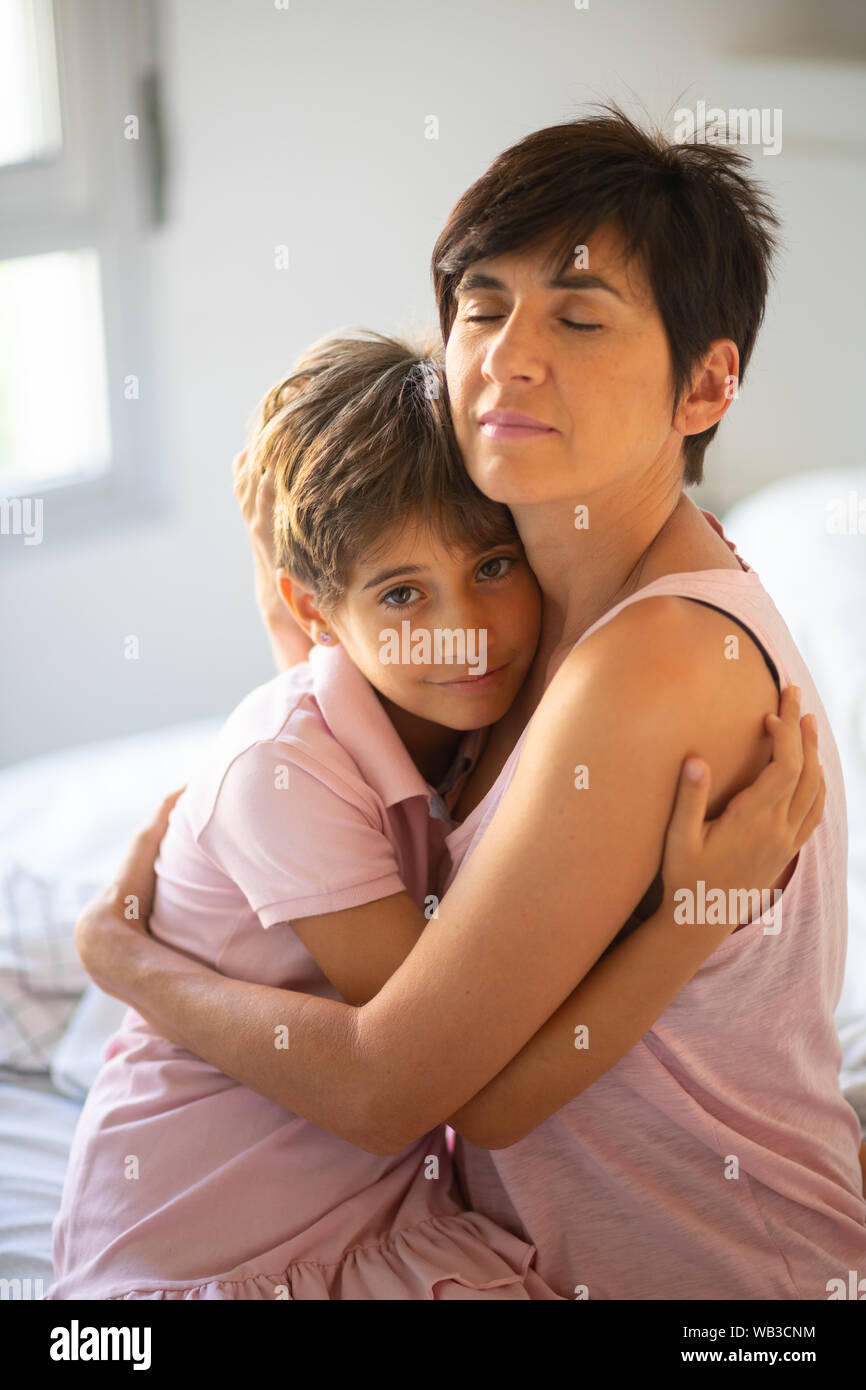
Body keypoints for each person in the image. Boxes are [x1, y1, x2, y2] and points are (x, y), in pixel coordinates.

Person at [75, 108, 866, 1299]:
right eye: (481, 308)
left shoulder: (647, 665)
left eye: (578, 316)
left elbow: (403, 1089)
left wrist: (128, 966)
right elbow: (316, 625)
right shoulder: (540, 604)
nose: (506, 355)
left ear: (704, 385)